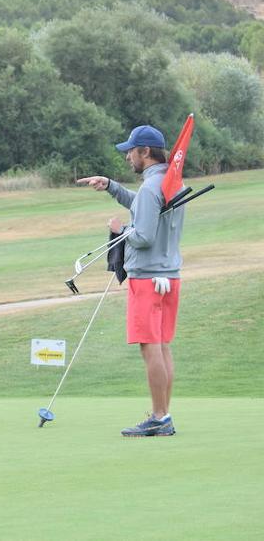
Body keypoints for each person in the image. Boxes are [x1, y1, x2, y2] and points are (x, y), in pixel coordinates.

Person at [76, 124, 185, 437]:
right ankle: (162, 415)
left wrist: (120, 229)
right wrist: (111, 186)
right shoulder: (169, 182)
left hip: (147, 279)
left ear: (145, 152)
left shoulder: (153, 188)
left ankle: (160, 416)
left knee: (150, 348)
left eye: (130, 151)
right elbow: (144, 207)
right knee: (162, 346)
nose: (127, 157)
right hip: (168, 277)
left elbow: (144, 236)